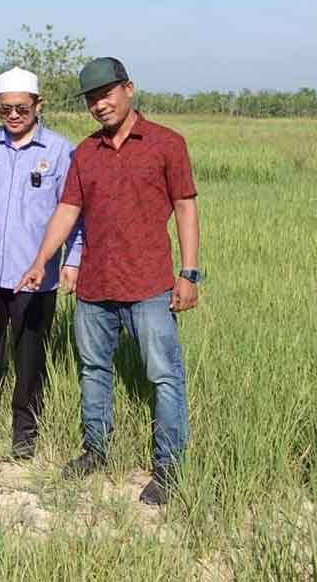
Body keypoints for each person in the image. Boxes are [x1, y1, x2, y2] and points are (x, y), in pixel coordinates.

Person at [17, 57, 200, 505]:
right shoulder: (85, 153)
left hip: (150, 284)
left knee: (164, 375)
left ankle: (169, 467)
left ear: (128, 89)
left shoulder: (166, 144)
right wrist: (42, 260)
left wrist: (189, 273)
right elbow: (68, 210)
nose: (100, 104)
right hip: (95, 285)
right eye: (92, 99)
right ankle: (95, 451)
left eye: (106, 94)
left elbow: (185, 206)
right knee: (94, 369)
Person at [0, 66, 81, 459]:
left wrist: (72, 260)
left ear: (38, 105)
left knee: (30, 357)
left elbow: (75, 212)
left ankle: (25, 433)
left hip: (36, 276)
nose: (14, 115)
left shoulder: (60, 151)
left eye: (22, 108)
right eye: (6, 109)